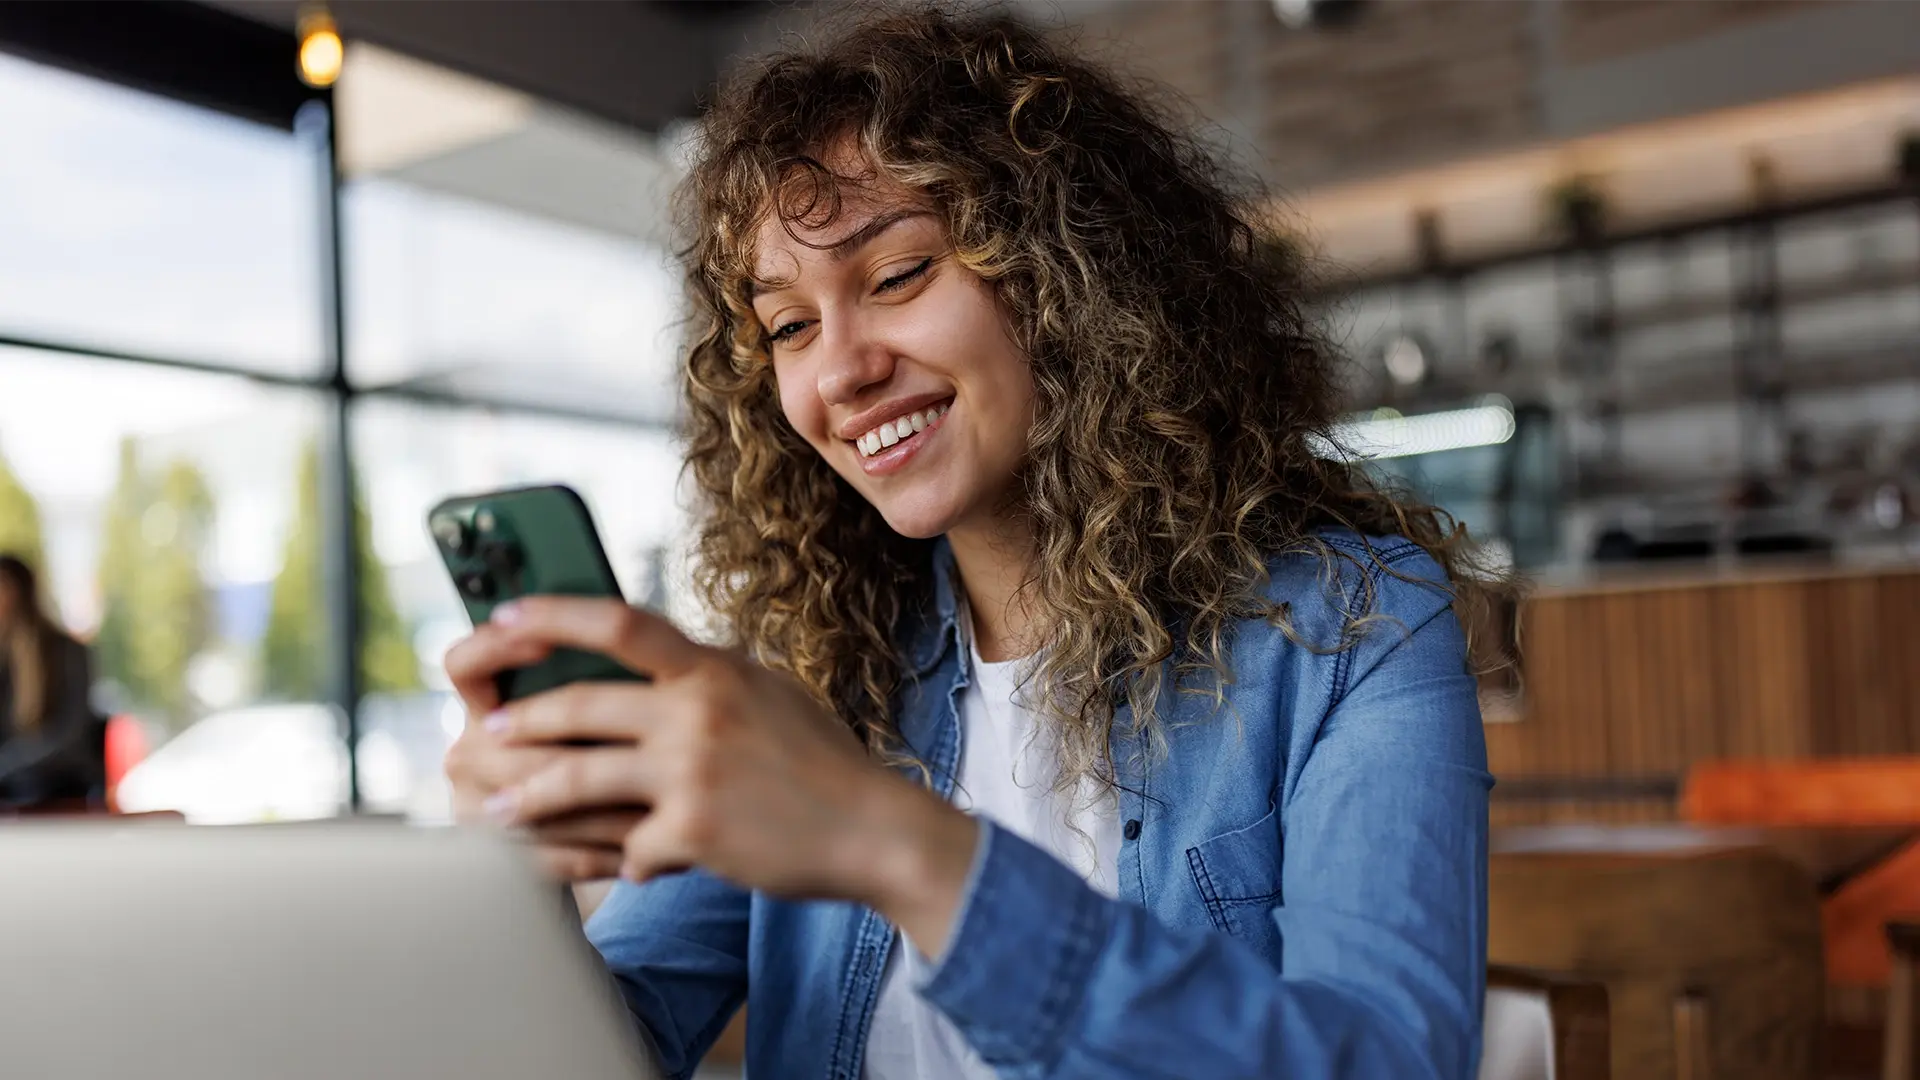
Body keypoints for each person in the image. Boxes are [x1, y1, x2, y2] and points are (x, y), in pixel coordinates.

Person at [444, 8, 1507, 1078]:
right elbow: (604, 1051)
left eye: (898, 275)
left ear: (1074, 279)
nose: (842, 371)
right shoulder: (814, 681)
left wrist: (894, 844)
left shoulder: (1356, 628)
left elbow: (1389, 1061)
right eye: (791, 327)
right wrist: (504, 890)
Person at [0, 554, 105, 810]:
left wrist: (7, 763)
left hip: (59, 787)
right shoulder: (4, 660)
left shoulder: (66, 653)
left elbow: (70, 734)